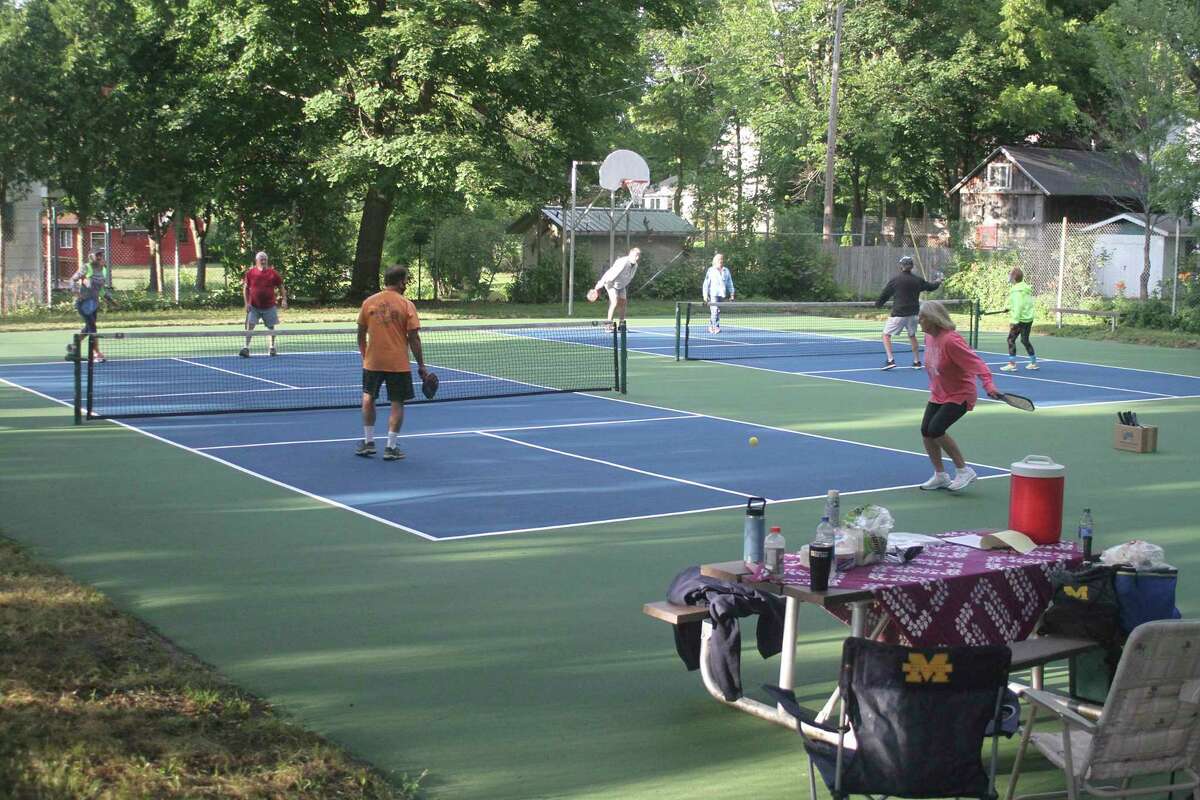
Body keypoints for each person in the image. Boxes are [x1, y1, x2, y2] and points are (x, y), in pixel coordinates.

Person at [916, 300, 1003, 492]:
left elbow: (977, 364)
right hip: (939, 392)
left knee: (936, 428)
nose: (918, 320)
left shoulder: (951, 340)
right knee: (926, 430)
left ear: (933, 319)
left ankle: (964, 470)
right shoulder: (929, 338)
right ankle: (940, 475)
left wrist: (988, 384)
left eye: (922, 317)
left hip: (960, 394)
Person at [356, 265, 428, 461]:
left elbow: (360, 334)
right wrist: (421, 365)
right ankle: (391, 446)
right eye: (405, 280)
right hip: (398, 363)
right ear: (400, 282)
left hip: (373, 362)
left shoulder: (368, 302)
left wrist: (365, 356)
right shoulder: (407, 305)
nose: (406, 284)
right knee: (397, 403)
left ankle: (368, 442)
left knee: (368, 398)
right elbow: (414, 338)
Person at [875, 255, 941, 370]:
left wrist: (878, 305)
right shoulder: (917, 280)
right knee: (912, 336)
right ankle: (917, 362)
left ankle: (890, 360)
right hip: (914, 314)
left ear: (901, 266)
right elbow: (931, 287)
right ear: (911, 266)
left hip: (898, 314)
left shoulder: (895, 280)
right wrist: (938, 281)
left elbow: (885, 294)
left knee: (886, 335)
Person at [68, 249, 115, 362]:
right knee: (92, 327)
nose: (100, 257)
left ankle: (73, 349)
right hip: (83, 303)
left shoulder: (103, 270)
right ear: (91, 257)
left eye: (101, 255)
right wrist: (77, 293)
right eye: (97, 255)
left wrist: (110, 300)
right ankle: (96, 353)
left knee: (88, 328)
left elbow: (101, 289)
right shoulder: (86, 267)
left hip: (93, 304)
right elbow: (72, 280)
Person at [240, 251, 287, 357]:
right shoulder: (251, 273)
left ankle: (272, 348)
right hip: (254, 306)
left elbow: (281, 287)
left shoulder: (273, 273)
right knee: (250, 326)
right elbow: (246, 288)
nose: (263, 261)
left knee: (271, 327)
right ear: (257, 261)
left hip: (269, 306)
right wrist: (247, 303)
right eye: (261, 259)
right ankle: (246, 348)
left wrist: (284, 299)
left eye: (265, 259)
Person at [592, 247, 641, 331]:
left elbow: (629, 277)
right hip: (610, 283)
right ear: (630, 254)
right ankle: (608, 326)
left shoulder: (635, 265)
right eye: (635, 255)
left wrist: (624, 285)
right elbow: (610, 273)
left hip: (621, 286)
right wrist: (599, 285)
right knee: (614, 302)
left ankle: (621, 326)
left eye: (638, 256)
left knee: (623, 304)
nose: (637, 258)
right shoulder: (622, 262)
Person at [1002, 267, 1038, 371]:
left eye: (1010, 275)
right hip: (1028, 319)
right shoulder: (1025, 288)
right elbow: (1024, 303)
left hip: (1019, 320)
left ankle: (1012, 365)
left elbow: (1018, 306)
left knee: (1010, 339)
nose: (1009, 277)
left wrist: (1014, 322)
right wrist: (1009, 307)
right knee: (1024, 340)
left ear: (1013, 278)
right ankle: (1033, 363)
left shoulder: (1016, 291)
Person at [701, 253, 735, 333]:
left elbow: (730, 283)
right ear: (715, 261)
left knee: (716, 311)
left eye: (722, 259)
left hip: (722, 294)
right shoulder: (711, 270)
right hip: (713, 294)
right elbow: (706, 284)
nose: (721, 261)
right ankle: (716, 327)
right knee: (715, 310)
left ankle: (711, 326)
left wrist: (732, 294)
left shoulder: (726, 271)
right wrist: (705, 295)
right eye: (719, 259)